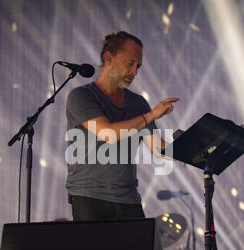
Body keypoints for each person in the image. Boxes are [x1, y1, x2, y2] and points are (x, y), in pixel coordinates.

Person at [65, 31, 178, 222]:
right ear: (109, 58)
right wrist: (151, 115)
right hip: (89, 197)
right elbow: (108, 133)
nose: (135, 72)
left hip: (128, 199)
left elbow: (158, 149)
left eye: (138, 66)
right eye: (130, 63)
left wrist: (193, 148)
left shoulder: (138, 103)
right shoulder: (81, 96)